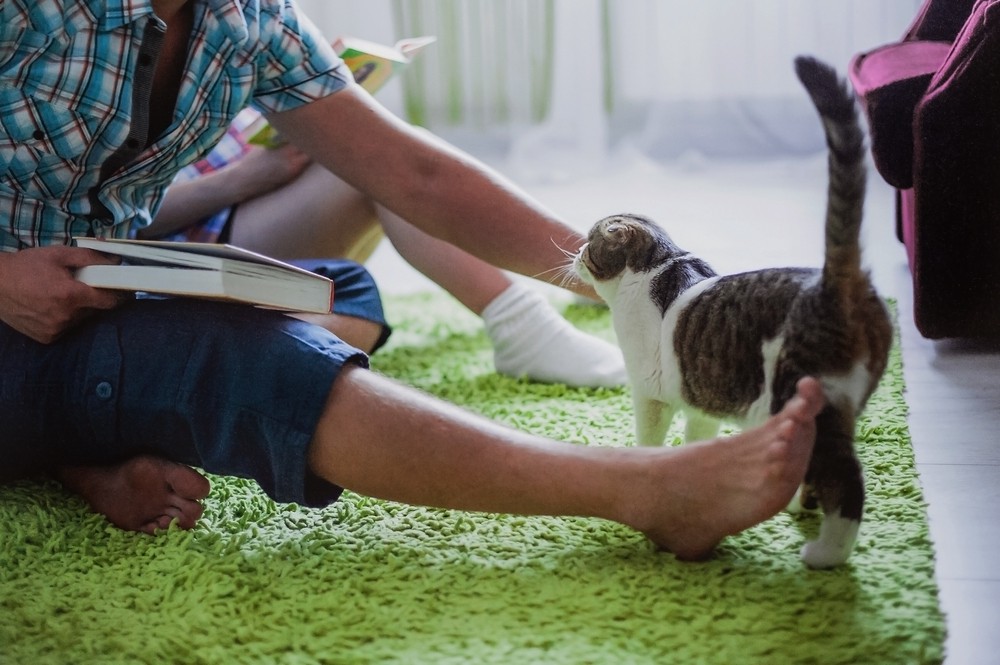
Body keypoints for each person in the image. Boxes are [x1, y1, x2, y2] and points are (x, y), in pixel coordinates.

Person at [0, 0, 826, 562]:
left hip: (100, 294)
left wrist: (630, 281)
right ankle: (647, 491)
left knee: (323, 296)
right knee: (249, 357)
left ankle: (78, 444)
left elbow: (414, 174)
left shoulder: (247, 21)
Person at [140, 107, 629, 388]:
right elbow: (108, 219)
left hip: (253, 200)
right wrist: (239, 180)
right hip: (192, 248)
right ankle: (526, 324)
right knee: (373, 169)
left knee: (392, 147)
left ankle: (593, 278)